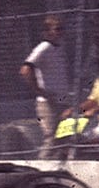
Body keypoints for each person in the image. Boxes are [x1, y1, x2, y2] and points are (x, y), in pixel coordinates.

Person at [20, 15, 70, 159]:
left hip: (62, 101)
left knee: (64, 139)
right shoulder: (44, 47)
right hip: (49, 103)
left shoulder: (59, 48)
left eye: (62, 29)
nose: (60, 33)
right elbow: (26, 69)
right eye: (57, 29)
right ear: (48, 32)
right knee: (52, 139)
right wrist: (40, 91)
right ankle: (41, 170)